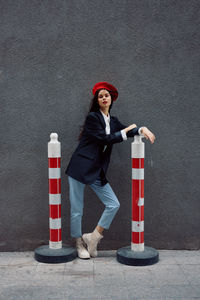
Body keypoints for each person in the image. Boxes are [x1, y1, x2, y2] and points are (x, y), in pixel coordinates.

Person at [65, 82, 155, 259]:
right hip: (80, 168)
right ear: (97, 101)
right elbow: (103, 139)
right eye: (101, 96)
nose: (104, 98)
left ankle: (93, 237)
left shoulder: (112, 121)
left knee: (113, 204)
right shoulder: (93, 118)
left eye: (107, 95)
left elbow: (128, 131)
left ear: (111, 99)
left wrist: (142, 129)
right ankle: (78, 242)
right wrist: (126, 131)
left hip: (97, 171)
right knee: (77, 209)